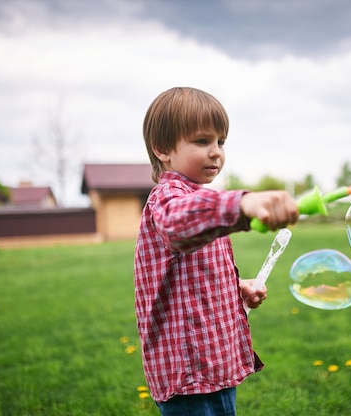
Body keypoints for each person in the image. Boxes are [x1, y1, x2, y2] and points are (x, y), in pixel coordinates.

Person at [134, 87, 299, 416]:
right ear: (163, 149)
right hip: (192, 374)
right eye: (202, 141)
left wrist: (236, 288)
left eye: (221, 142)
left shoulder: (197, 197)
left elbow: (191, 276)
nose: (216, 152)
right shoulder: (168, 199)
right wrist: (243, 202)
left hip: (213, 365)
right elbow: (179, 222)